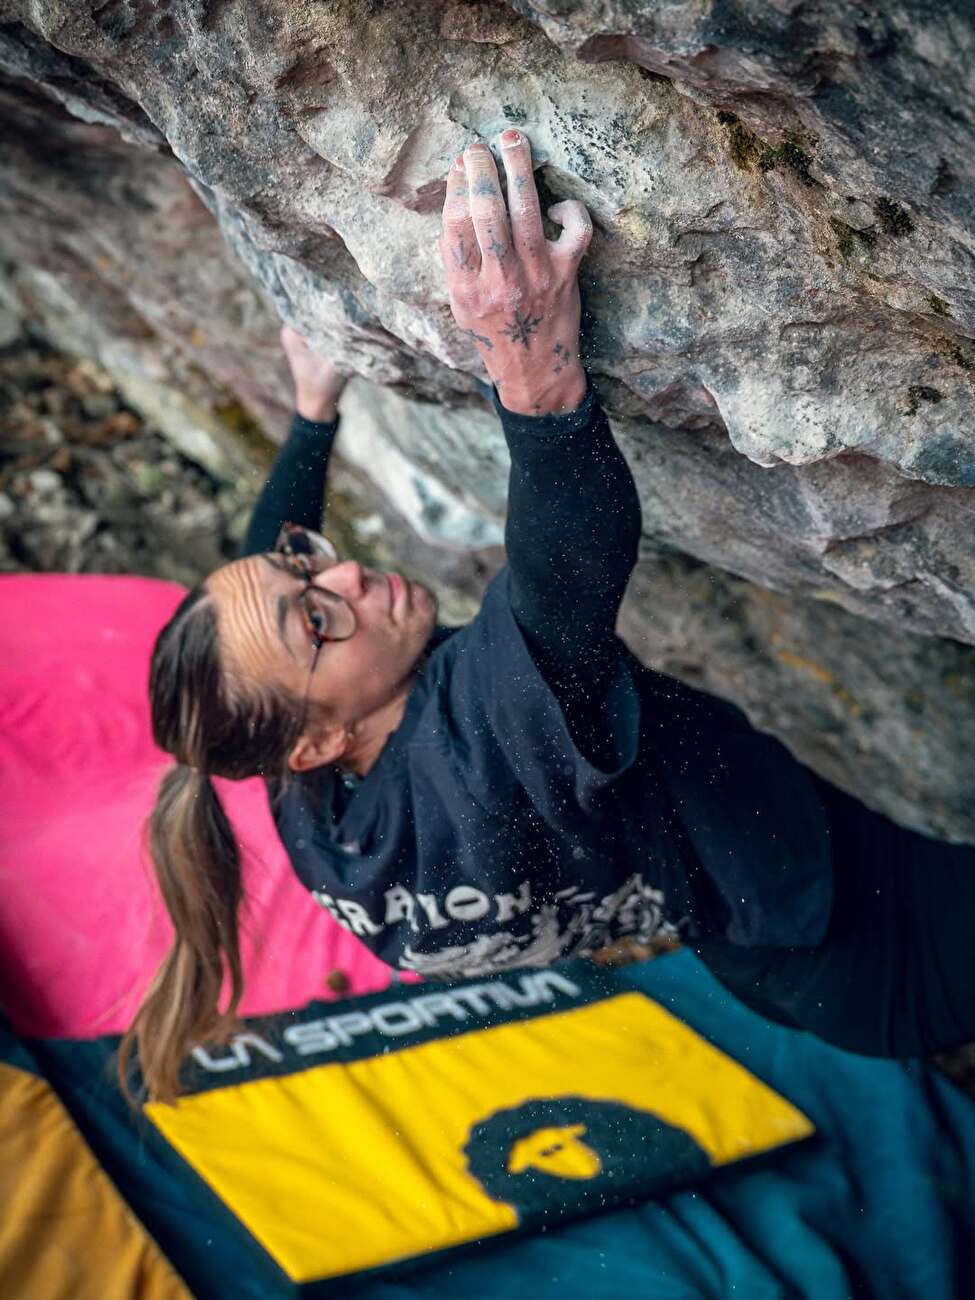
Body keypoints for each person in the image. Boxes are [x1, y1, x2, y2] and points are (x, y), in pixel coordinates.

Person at [123, 131, 975, 1103]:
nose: (349, 576)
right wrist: (529, 359)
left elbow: (259, 600)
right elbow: (565, 575)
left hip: (762, 933)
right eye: (321, 621)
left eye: (308, 570)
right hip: (873, 933)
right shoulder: (479, 752)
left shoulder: (311, 794)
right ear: (314, 741)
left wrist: (312, 413)